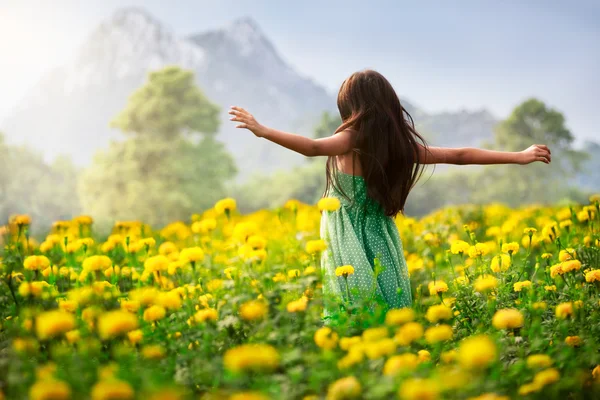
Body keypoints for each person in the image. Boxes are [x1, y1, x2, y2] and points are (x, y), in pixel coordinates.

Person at [228, 69, 551, 321]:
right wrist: (519, 155)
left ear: (350, 105)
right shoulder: (401, 146)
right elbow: (460, 155)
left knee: (354, 298)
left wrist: (263, 130)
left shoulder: (351, 139)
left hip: (347, 232)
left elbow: (312, 148)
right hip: (380, 231)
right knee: (388, 293)